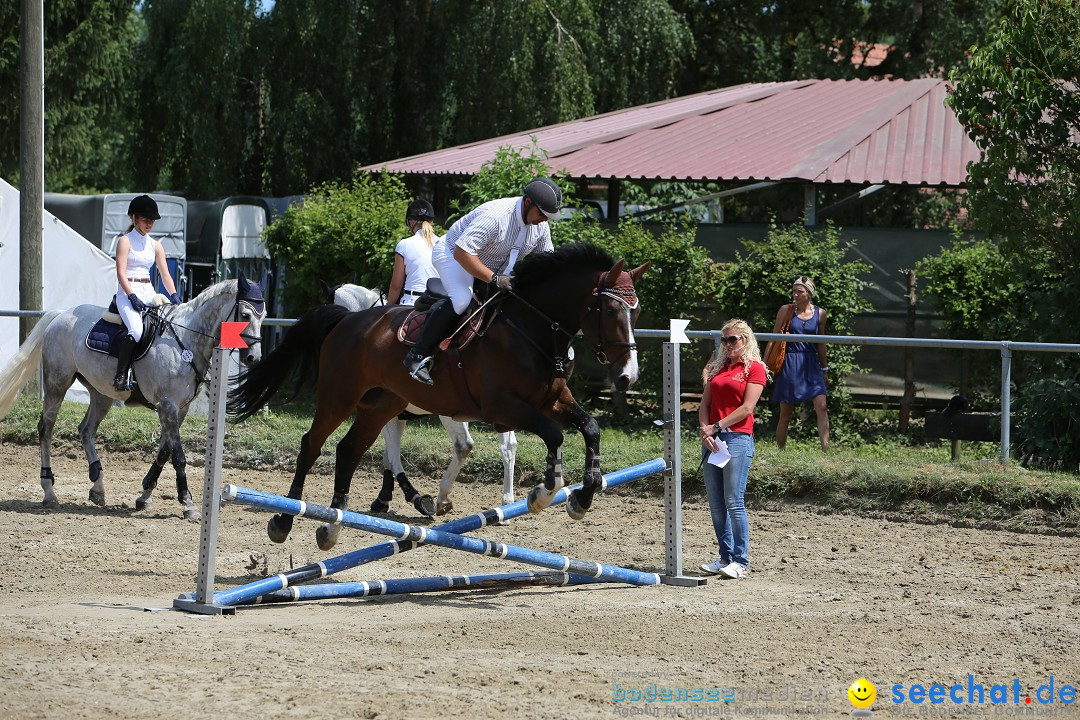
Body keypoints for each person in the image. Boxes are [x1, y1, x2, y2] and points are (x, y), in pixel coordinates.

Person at [403, 176, 563, 385]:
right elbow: (462, 253)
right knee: (462, 300)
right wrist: (494, 278)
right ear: (527, 202)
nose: (545, 219)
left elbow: (547, 262)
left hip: (489, 266)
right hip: (453, 254)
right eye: (542, 213)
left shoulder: (540, 226)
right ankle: (417, 355)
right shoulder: (496, 217)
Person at [698, 319, 767, 579]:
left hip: (737, 438)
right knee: (716, 504)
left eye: (733, 339)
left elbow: (747, 408)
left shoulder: (755, 369)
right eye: (724, 340)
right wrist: (705, 429)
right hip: (714, 440)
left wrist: (715, 426)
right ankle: (725, 556)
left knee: (734, 502)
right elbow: (705, 403)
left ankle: (741, 560)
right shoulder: (718, 368)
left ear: (745, 340)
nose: (727, 345)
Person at [112, 194, 182, 391]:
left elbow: (165, 275)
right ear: (134, 218)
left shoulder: (156, 245)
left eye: (152, 220)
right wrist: (131, 295)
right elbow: (120, 271)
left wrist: (174, 295)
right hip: (127, 294)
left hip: (149, 291)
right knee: (136, 330)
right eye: (146, 219)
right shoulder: (125, 241)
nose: (150, 223)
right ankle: (120, 376)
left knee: (167, 326)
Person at [771, 275, 830, 453]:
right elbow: (773, 339)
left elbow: (821, 342)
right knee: (786, 413)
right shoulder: (786, 310)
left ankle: (826, 452)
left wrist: (825, 368)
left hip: (811, 363)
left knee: (822, 405)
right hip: (790, 362)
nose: (795, 294)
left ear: (809, 293)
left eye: (800, 291)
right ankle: (780, 452)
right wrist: (766, 365)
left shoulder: (820, 313)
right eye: (794, 291)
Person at [387, 199, 439, 306]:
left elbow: (396, 286)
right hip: (438, 305)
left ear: (410, 222)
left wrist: (388, 307)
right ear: (431, 222)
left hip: (411, 302)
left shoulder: (404, 244)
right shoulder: (443, 243)